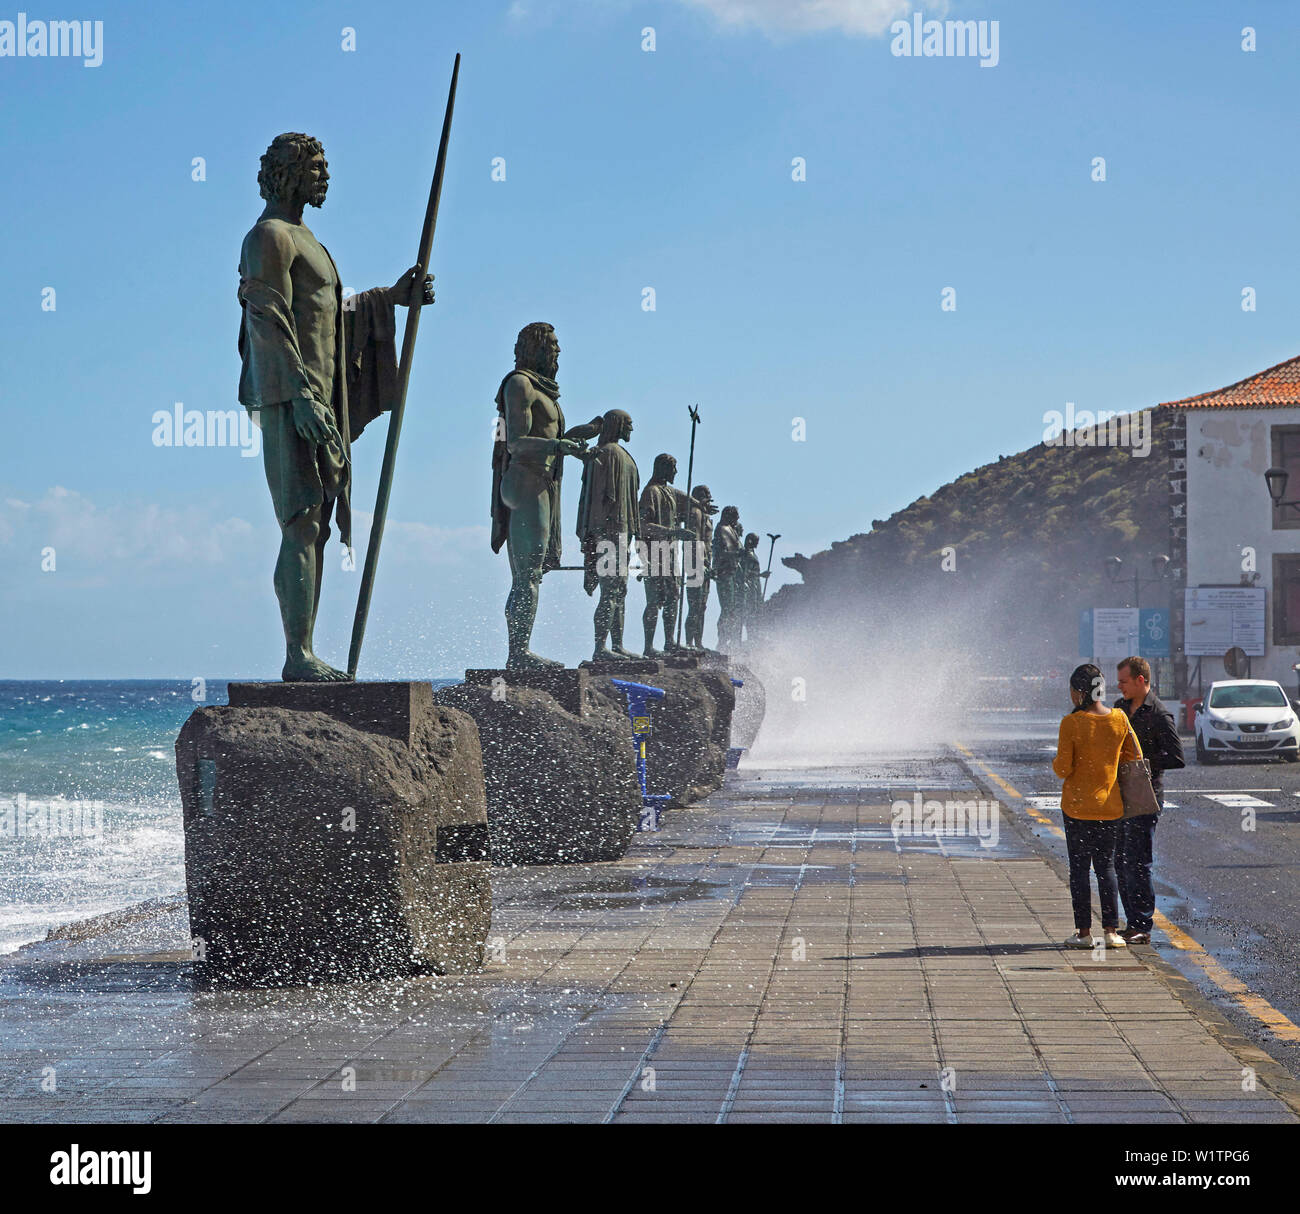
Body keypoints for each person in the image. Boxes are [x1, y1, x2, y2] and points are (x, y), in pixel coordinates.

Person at [1052, 663, 1143, 950]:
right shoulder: (1119, 719)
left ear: (1079, 693)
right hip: (1110, 807)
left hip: (1077, 809)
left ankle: (1083, 933)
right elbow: (1134, 755)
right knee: (1106, 869)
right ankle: (1112, 932)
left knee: (1079, 870)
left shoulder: (1072, 723)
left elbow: (1063, 769)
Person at [1114, 656, 1185, 944]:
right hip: (1119, 795)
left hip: (1146, 796)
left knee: (1139, 862)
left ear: (1141, 681)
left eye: (1124, 682)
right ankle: (1131, 921)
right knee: (1119, 860)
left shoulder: (1158, 715)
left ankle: (1142, 925)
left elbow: (1177, 758)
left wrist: (1142, 762)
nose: (1119, 687)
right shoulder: (1118, 710)